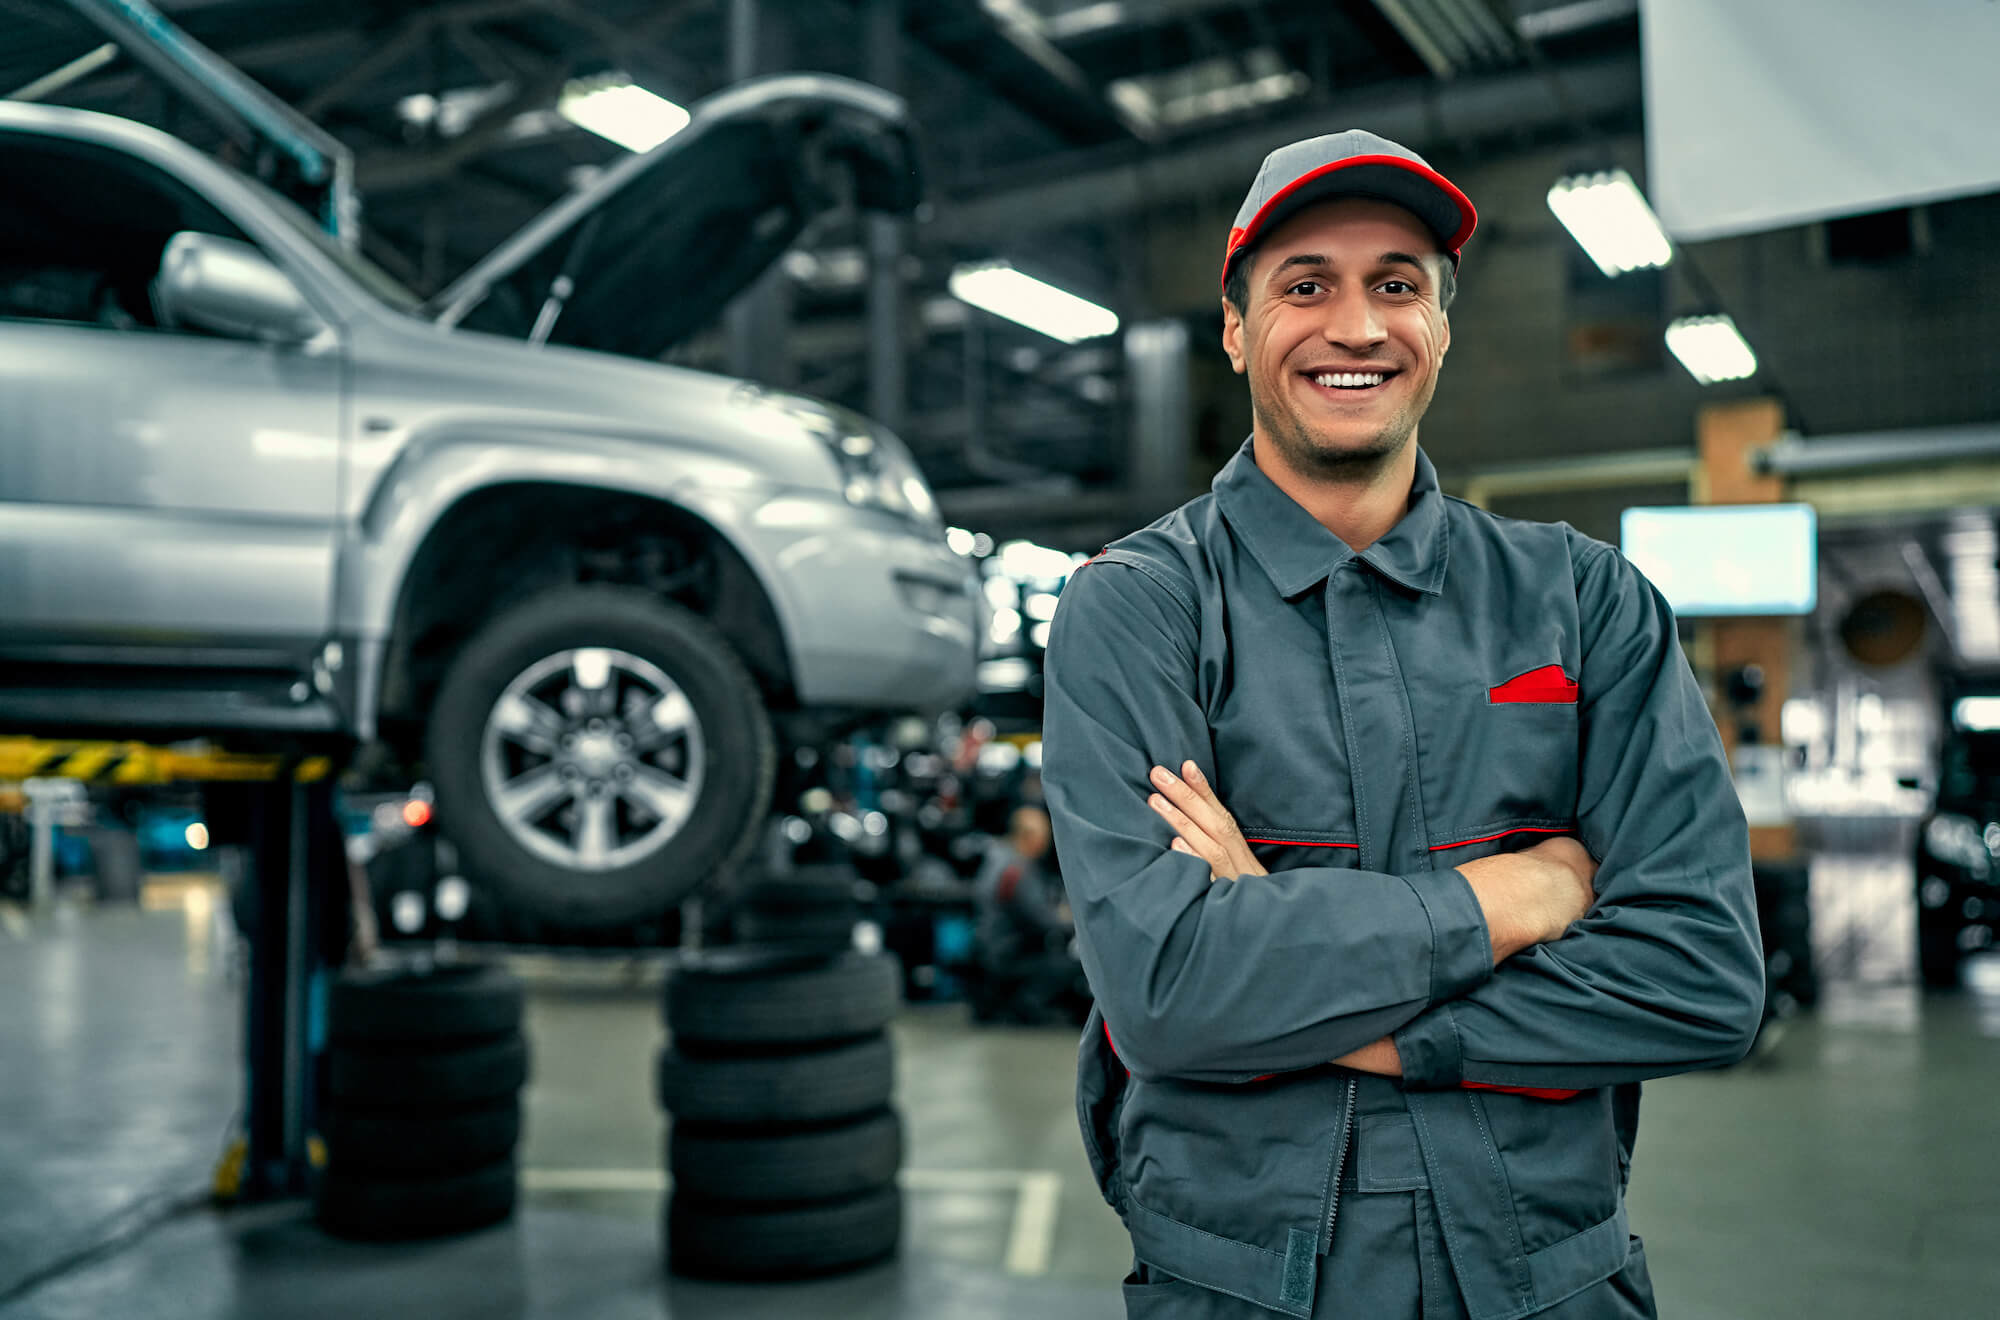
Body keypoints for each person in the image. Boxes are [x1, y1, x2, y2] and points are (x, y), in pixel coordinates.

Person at [1041, 130, 1764, 1318]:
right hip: (1241, 1290)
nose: (1358, 327)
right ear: (1233, 330)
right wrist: (1516, 899)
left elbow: (1699, 975)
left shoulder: (1584, 603)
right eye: (1303, 286)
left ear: (1439, 324)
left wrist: (1328, 1003)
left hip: (1548, 1281)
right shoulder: (1138, 608)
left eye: (1396, 285)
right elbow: (1163, 989)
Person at [970, 805, 1087, 1024]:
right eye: (1044, 836)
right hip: (1010, 952)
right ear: (1029, 836)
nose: (1046, 843)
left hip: (991, 947)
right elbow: (1042, 919)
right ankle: (1030, 1004)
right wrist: (1078, 922)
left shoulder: (998, 859)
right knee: (1077, 963)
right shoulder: (1017, 870)